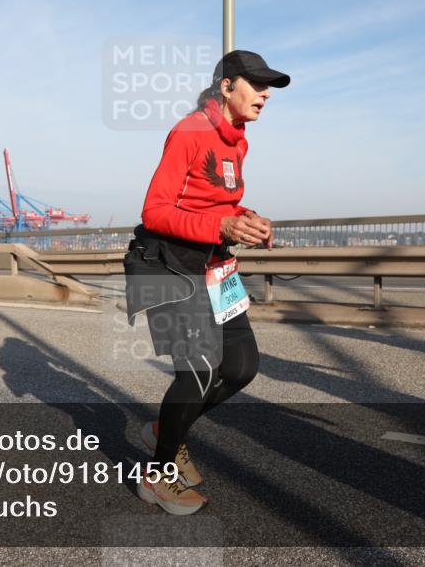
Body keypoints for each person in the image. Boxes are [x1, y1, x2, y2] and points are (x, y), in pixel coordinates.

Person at [124, 49, 289, 515]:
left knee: (241, 367)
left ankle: (167, 431)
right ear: (226, 86)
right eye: (256, 84)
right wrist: (222, 226)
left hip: (216, 267)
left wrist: (246, 217)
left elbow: (216, 202)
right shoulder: (189, 131)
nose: (265, 94)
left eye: (268, 87)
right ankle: (156, 477)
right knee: (198, 372)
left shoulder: (238, 140)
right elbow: (155, 210)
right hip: (171, 266)